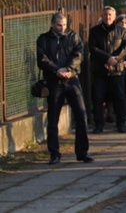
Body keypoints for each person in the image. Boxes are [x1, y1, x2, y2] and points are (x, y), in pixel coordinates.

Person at [37, 13, 92, 165]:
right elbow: (42, 59)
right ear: (52, 24)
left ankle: (82, 152)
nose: (62, 28)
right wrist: (57, 70)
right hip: (54, 82)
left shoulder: (73, 36)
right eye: (59, 25)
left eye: (64, 25)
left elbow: (79, 54)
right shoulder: (44, 39)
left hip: (72, 79)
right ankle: (54, 154)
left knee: (81, 114)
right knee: (53, 118)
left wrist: (68, 68)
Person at [89, 6, 126, 133]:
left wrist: (115, 60)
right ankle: (98, 124)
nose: (107, 17)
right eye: (105, 14)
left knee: (120, 97)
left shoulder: (122, 31)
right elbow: (93, 48)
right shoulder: (94, 31)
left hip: (117, 70)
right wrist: (107, 59)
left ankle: (121, 123)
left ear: (114, 16)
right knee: (98, 97)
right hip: (100, 70)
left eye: (110, 15)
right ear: (101, 16)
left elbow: (125, 48)